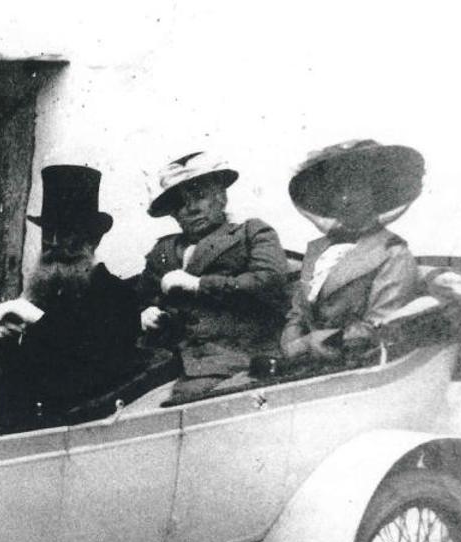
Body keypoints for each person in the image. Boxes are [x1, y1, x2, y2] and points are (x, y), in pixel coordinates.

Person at [0, 165, 143, 435]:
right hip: (24, 432)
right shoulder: (41, 295)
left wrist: (39, 322)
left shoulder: (117, 298)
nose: (53, 244)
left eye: (65, 233)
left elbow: (94, 377)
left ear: (92, 240)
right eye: (47, 233)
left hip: (79, 435)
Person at [137, 152, 289, 404]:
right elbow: (141, 298)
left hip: (242, 361)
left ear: (221, 196)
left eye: (199, 196)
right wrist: (146, 312)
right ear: (173, 214)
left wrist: (199, 285)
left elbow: (269, 281)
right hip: (171, 366)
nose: (192, 208)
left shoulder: (250, 233)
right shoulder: (162, 251)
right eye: (180, 203)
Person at [280, 139, 423, 362]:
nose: (345, 199)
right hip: (305, 362)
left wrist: (315, 342)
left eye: (355, 188)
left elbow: (382, 327)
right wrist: (292, 344)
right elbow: (297, 315)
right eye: (337, 190)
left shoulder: (393, 253)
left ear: (375, 194)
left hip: (361, 364)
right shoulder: (318, 250)